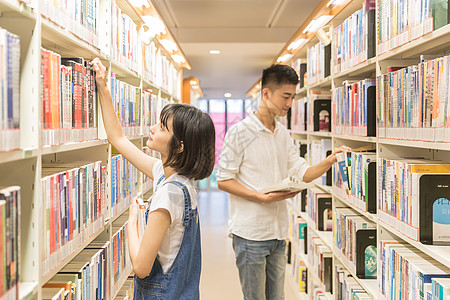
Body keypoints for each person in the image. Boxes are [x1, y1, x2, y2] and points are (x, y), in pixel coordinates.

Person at [217, 64, 350, 300]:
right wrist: (260, 196)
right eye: (285, 97)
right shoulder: (239, 133)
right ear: (266, 93)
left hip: (278, 234)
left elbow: (302, 172)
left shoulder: (283, 134)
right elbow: (224, 180)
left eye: (292, 97)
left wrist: (329, 161)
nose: (289, 104)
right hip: (250, 235)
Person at [91, 58, 215, 299]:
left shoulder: (168, 196)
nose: (152, 128)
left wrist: (132, 221)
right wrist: (103, 87)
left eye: (161, 127)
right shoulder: (180, 180)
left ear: (178, 146)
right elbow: (118, 139)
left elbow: (141, 267)